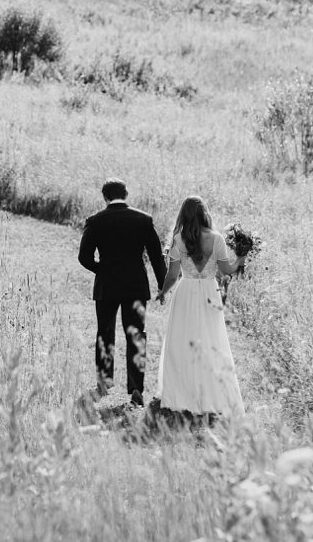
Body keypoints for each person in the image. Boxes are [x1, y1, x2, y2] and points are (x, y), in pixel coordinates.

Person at [78, 179, 167, 407]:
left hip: (107, 286)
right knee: (136, 334)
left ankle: (104, 381)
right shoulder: (143, 219)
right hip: (135, 285)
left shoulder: (95, 221)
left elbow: (84, 257)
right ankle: (136, 388)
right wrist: (162, 285)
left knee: (105, 333)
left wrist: (102, 269)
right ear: (126, 194)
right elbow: (156, 256)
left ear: (104, 197)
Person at [157, 196, 246, 419]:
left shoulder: (178, 239)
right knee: (211, 341)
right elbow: (227, 270)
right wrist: (240, 259)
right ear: (205, 213)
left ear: (183, 215)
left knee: (181, 342)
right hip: (209, 292)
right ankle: (209, 394)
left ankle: (182, 393)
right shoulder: (216, 239)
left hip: (185, 292)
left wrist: (162, 292)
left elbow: (172, 275)